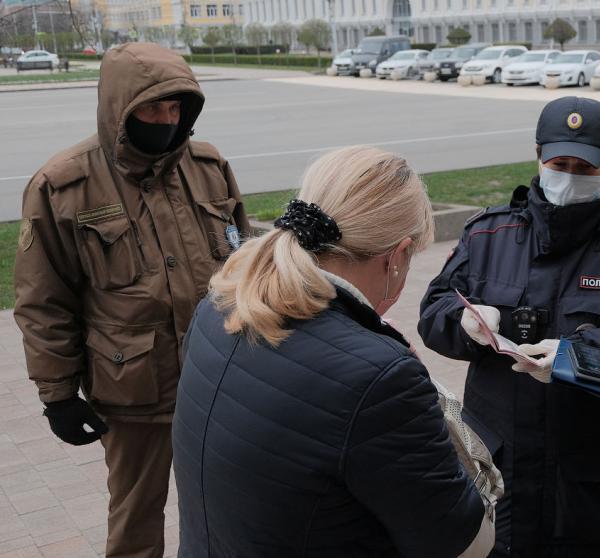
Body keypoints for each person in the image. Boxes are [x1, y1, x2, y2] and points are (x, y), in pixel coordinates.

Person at [173, 146, 496, 557]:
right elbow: (467, 543)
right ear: (396, 257)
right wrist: (414, 382)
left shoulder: (219, 306)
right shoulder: (382, 378)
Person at [418, 96, 600, 557]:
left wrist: (577, 352)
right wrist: (463, 322)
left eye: (583, 167)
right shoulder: (488, 234)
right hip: (500, 471)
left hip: (588, 479)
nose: (569, 176)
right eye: (558, 162)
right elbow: (433, 310)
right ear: (538, 156)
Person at [13, 43, 249, 558]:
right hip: (134, 391)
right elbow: (42, 301)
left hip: (219, 379)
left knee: (230, 510)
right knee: (136, 522)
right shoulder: (64, 185)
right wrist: (57, 393)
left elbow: (242, 266)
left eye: (175, 108)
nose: (165, 121)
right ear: (119, 107)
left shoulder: (208, 167)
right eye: (151, 108)